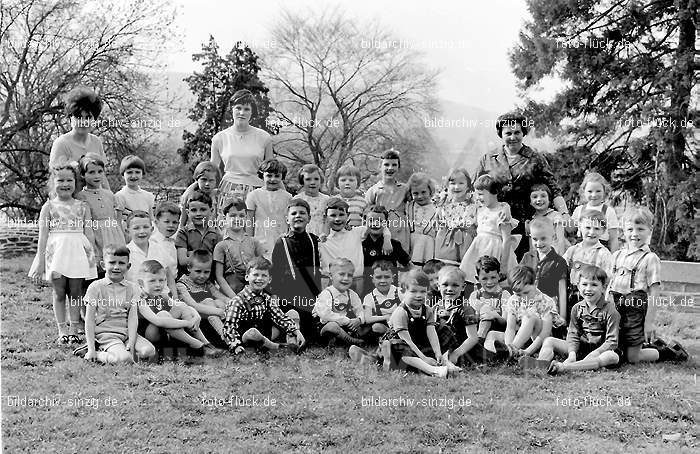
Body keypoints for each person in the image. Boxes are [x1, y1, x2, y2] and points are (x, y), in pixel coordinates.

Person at [475, 111, 569, 259]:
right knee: (492, 265)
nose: (513, 137)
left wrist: (564, 214)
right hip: (494, 223)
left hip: (526, 223)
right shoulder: (488, 159)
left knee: (522, 268)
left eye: (517, 132)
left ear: (523, 133)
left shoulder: (535, 158)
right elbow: (476, 190)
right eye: (508, 133)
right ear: (501, 134)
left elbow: (554, 189)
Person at [29, 164, 97, 344]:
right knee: (59, 292)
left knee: (75, 292)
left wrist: (94, 255)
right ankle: (62, 330)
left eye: (70, 180)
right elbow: (42, 237)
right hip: (57, 254)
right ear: (53, 183)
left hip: (78, 253)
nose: (65, 184)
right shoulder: (48, 207)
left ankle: (74, 329)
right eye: (61, 180)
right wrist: (40, 261)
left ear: (76, 182)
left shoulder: (83, 206)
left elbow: (88, 231)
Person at [521, 265, 621, 374]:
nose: (588, 289)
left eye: (594, 285)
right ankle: (541, 363)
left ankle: (565, 367)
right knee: (549, 340)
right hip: (582, 348)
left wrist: (595, 353)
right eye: (584, 284)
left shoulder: (611, 311)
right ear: (578, 286)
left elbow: (612, 342)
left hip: (602, 350)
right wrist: (572, 353)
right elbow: (573, 334)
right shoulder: (577, 308)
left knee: (612, 357)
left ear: (603, 287)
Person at [78, 245, 155, 363]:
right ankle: (98, 353)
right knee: (125, 359)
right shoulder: (96, 287)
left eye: (121, 263)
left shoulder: (133, 288)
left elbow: (133, 317)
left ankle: (122, 349)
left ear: (128, 266)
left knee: (148, 351)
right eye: (112, 262)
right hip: (106, 334)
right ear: (103, 265)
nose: (116, 267)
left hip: (126, 333)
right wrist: (91, 349)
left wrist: (132, 340)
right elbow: (89, 320)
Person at [607, 207, 662, 364]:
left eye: (640, 229)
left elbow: (654, 292)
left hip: (635, 310)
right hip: (615, 307)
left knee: (633, 357)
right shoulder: (617, 255)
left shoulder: (650, 258)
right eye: (630, 229)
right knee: (615, 349)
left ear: (649, 230)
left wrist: (649, 322)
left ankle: (663, 352)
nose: (634, 233)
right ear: (623, 231)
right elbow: (610, 285)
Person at [137, 260, 222, 357]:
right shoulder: (140, 300)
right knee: (163, 315)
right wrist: (188, 323)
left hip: (166, 331)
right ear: (141, 283)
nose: (158, 284)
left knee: (181, 307)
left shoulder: (162, 295)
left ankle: (206, 344)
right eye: (152, 281)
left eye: (161, 280)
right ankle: (196, 344)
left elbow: (182, 305)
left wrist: (196, 316)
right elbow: (159, 322)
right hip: (149, 335)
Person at [211, 89, 274, 216]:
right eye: (238, 108)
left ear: (252, 112)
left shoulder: (264, 137)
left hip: (257, 190)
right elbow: (211, 171)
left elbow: (272, 171)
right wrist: (192, 188)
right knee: (229, 230)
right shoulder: (220, 138)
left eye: (246, 109)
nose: (241, 112)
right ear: (231, 110)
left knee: (255, 230)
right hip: (228, 191)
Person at [222, 257, 305, 353]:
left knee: (292, 314)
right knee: (253, 332)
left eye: (264, 275)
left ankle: (292, 346)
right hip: (247, 338)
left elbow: (280, 317)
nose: (259, 279)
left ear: (269, 279)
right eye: (255, 274)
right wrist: (236, 345)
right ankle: (275, 347)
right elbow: (229, 327)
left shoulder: (267, 298)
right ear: (247, 277)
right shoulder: (238, 301)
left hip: (265, 335)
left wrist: (296, 331)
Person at [377, 269, 449, 378]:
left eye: (422, 291)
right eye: (413, 291)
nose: (419, 295)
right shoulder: (401, 313)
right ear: (402, 291)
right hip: (401, 346)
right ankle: (433, 370)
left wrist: (437, 352)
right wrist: (423, 358)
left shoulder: (427, 310)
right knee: (399, 346)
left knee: (443, 329)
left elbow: (431, 332)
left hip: (418, 343)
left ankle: (445, 360)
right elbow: (407, 341)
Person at [270, 199, 322, 342]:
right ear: (287, 219)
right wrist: (275, 295)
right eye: (294, 213)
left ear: (309, 218)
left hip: (309, 294)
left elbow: (317, 269)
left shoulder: (313, 240)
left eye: (302, 213)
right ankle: (289, 333)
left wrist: (319, 296)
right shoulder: (282, 242)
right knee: (292, 319)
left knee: (313, 334)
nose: (298, 216)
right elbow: (276, 271)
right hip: (289, 293)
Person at [488, 265, 564, 359]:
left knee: (529, 316)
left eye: (526, 292)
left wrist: (528, 352)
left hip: (542, 339)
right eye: (518, 294)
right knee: (492, 334)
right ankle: (492, 355)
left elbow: (545, 332)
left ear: (535, 284)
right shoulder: (514, 300)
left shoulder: (546, 302)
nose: (523, 298)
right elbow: (510, 328)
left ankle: (511, 352)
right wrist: (509, 345)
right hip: (522, 338)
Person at [460, 174, 519, 294]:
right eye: (477, 194)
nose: (478, 197)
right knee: (476, 280)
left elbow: (507, 240)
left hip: (496, 251)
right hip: (479, 249)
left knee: (497, 282)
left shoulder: (502, 213)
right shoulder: (480, 210)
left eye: (481, 194)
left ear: (494, 193)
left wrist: (503, 266)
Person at [320, 198, 391, 296]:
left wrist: (387, 240)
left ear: (348, 216)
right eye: (333, 215)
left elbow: (379, 224)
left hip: (356, 281)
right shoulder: (321, 240)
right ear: (326, 217)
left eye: (341, 215)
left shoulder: (356, 232)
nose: (337, 219)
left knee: (356, 307)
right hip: (331, 282)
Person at [49, 87, 109, 190]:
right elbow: (55, 182)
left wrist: (111, 199)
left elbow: (102, 178)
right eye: (78, 117)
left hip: (96, 200)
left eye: (88, 117)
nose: (83, 121)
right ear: (70, 118)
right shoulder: (61, 144)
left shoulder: (96, 142)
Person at [76, 153, 125, 274]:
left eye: (100, 171)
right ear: (83, 175)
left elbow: (117, 219)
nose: (97, 176)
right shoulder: (81, 196)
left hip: (113, 234)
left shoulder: (109, 194)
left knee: (116, 263)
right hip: (95, 234)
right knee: (101, 267)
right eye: (91, 172)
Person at [563, 210, 612, 320]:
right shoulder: (572, 251)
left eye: (597, 229)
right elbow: (560, 268)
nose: (591, 232)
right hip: (572, 295)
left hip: (592, 298)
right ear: (580, 227)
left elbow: (608, 281)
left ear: (603, 231)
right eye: (588, 227)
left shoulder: (604, 254)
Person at [519, 217, 568, 323]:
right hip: (528, 303)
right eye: (535, 239)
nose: (539, 243)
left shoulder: (559, 262)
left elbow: (562, 289)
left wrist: (563, 316)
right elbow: (520, 282)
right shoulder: (527, 257)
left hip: (548, 305)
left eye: (543, 239)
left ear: (553, 237)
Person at [213, 198, 265, 297]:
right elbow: (219, 277)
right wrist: (234, 298)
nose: (237, 219)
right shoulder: (221, 246)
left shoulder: (254, 242)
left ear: (246, 218)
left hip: (253, 292)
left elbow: (262, 269)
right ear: (224, 218)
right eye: (233, 215)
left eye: (241, 216)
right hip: (231, 293)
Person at [176, 250, 230, 342]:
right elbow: (193, 305)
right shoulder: (181, 285)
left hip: (213, 316)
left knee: (220, 302)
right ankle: (225, 336)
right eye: (198, 271)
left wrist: (234, 303)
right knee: (209, 301)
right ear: (189, 267)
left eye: (206, 272)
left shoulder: (207, 283)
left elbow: (220, 296)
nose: (202, 276)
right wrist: (220, 311)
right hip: (197, 319)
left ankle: (231, 331)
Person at [313, 258, 368, 346]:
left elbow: (360, 309)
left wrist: (359, 319)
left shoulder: (351, 294)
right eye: (341, 274)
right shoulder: (326, 294)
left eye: (349, 275)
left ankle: (342, 340)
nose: (346, 278)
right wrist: (346, 321)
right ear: (331, 276)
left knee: (366, 326)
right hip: (324, 326)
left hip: (343, 325)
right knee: (332, 326)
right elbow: (325, 315)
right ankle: (351, 340)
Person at [246, 158, 293, 260]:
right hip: (261, 237)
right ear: (262, 175)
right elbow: (249, 220)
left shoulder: (288, 197)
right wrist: (250, 241)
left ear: (282, 177)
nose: (273, 179)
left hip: (280, 236)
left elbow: (290, 220)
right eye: (269, 175)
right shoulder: (254, 195)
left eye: (277, 176)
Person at [365, 149, 411, 252]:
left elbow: (414, 205)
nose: (390, 168)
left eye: (394, 165)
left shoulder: (405, 189)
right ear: (380, 166)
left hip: (400, 229)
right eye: (386, 165)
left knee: (401, 255)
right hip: (381, 228)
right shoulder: (374, 190)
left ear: (398, 167)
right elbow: (367, 212)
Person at [124, 211, 177, 298]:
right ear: (127, 231)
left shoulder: (159, 248)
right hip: (138, 301)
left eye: (145, 227)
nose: (142, 231)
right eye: (136, 228)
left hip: (163, 298)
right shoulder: (125, 253)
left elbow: (170, 277)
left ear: (152, 230)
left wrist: (175, 298)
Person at [361, 205, 411, 289]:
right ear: (365, 222)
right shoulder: (361, 243)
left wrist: (408, 282)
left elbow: (409, 265)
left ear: (387, 223)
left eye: (380, 221)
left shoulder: (394, 244)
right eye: (371, 220)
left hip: (391, 294)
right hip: (367, 293)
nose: (375, 224)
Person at [434, 168, 477, 265]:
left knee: (465, 269)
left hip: (466, 242)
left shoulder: (474, 205)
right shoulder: (443, 205)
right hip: (446, 242)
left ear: (468, 186)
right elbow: (437, 224)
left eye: (461, 183)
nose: (457, 187)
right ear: (447, 186)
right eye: (453, 183)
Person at [175, 191, 221, 276]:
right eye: (193, 210)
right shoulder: (183, 232)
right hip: (186, 279)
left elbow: (217, 262)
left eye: (203, 210)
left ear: (211, 211)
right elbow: (182, 261)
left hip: (209, 280)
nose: (198, 214)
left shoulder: (216, 233)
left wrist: (191, 253)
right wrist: (207, 255)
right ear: (188, 212)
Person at [570, 172, 619, 251]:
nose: (594, 195)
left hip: (601, 250)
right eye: (590, 191)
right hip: (581, 248)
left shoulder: (608, 211)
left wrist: (614, 259)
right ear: (584, 192)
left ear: (604, 191)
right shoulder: (579, 210)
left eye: (598, 191)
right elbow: (569, 229)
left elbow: (613, 239)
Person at [468, 256, 510, 342]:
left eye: (493, 277)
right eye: (484, 279)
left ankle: (479, 341)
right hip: (476, 327)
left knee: (487, 313)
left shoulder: (504, 295)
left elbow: (506, 322)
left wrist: (494, 315)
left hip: (497, 329)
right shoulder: (475, 295)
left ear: (499, 276)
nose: (489, 282)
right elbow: (471, 319)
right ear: (477, 279)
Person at [361, 260, 402, 337]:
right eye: (378, 277)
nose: (383, 281)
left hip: (401, 322)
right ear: (372, 279)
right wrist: (386, 317)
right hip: (384, 325)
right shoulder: (369, 297)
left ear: (393, 278)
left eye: (386, 277)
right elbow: (368, 318)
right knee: (376, 327)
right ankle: (392, 335)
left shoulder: (400, 291)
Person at [149, 202, 181, 296]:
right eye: (167, 222)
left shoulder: (175, 240)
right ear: (156, 222)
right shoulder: (152, 242)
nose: (171, 225)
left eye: (174, 222)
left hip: (173, 284)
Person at [527, 183, 568, 255]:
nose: (539, 199)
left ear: (549, 200)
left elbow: (560, 240)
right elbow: (532, 246)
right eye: (535, 197)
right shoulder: (532, 221)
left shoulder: (555, 216)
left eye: (543, 196)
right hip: (541, 256)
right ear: (530, 202)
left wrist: (561, 259)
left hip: (556, 253)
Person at [406, 172, 438, 267]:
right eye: (415, 193)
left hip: (428, 246)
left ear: (430, 190)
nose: (420, 196)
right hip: (411, 244)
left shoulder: (436, 210)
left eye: (423, 192)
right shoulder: (409, 206)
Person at [292, 164, 330, 236]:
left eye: (316, 179)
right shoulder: (297, 199)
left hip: (322, 236)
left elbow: (328, 220)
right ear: (302, 181)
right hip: (303, 236)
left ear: (321, 180)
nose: (312, 182)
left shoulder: (326, 199)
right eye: (308, 179)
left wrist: (325, 235)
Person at [179, 161, 219, 228]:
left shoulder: (217, 195)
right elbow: (182, 220)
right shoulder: (190, 196)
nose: (207, 184)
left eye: (211, 180)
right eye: (204, 179)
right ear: (197, 180)